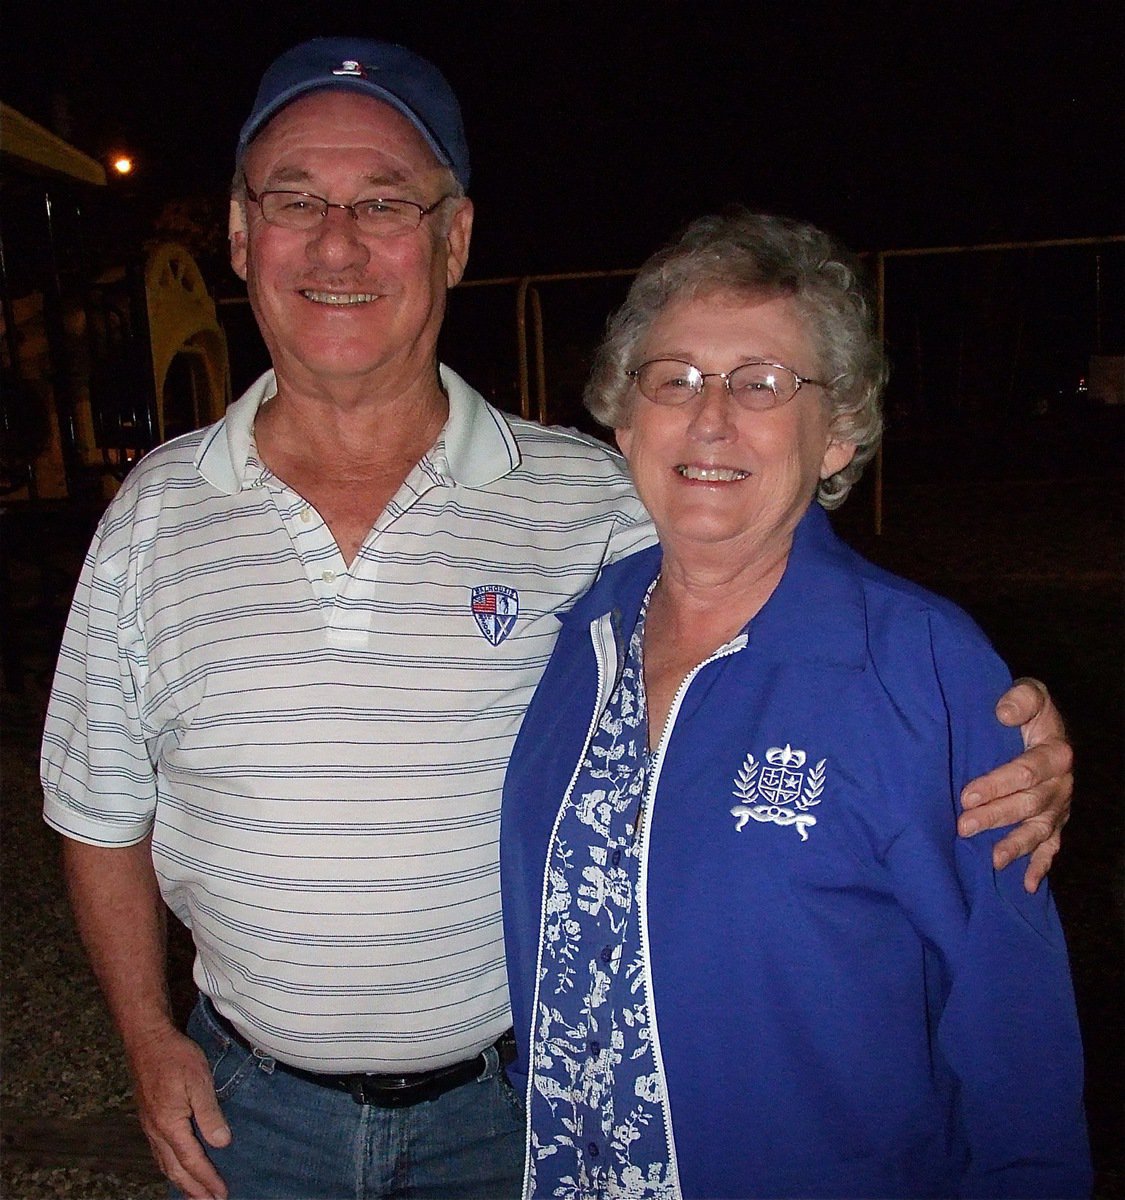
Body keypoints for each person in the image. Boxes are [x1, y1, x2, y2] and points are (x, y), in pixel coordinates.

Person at [40, 36, 1071, 1200]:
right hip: (254, 1117)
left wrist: (1001, 736)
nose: (337, 243)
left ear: (455, 239)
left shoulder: (593, 501)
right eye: (295, 201)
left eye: (385, 202)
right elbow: (97, 805)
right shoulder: (151, 516)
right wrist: (143, 1031)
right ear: (238, 235)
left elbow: (774, 576)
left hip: (513, 1117)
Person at [500, 211, 1091, 1199]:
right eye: (674, 377)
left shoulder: (918, 667)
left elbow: (1013, 1030)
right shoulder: (585, 640)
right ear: (624, 419)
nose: (711, 416)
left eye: (764, 383)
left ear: (839, 434)